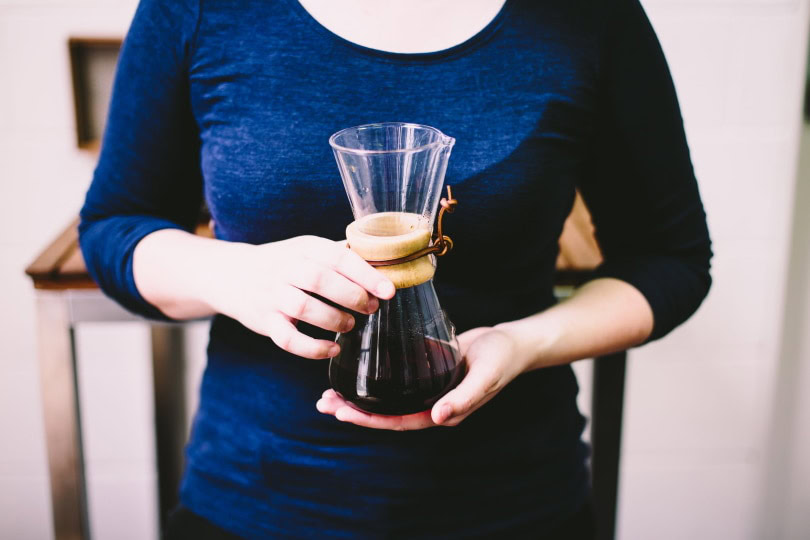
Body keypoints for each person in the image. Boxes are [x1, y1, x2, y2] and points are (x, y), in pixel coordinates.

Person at [78, 0, 713, 538]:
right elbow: (114, 227)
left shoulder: (589, 16)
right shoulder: (200, 9)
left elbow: (671, 258)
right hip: (257, 497)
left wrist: (521, 343)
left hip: (514, 499)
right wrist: (233, 275)